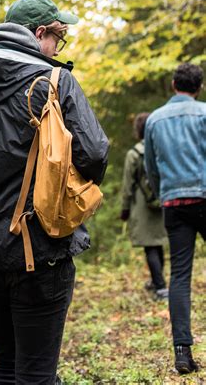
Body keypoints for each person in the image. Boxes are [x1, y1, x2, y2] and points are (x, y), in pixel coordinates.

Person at [0, 0, 109, 385]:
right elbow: (96, 153)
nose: (58, 49)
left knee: (1, 363)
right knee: (35, 373)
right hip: (39, 248)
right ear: (39, 35)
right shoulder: (54, 82)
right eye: (58, 39)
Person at [144, 63, 206, 375]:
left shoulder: (154, 120)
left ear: (173, 84)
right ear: (200, 87)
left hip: (174, 201)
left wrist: (163, 193)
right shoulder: (205, 113)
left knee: (180, 276)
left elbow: (151, 168)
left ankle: (182, 352)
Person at [120, 112, 168, 299]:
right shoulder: (160, 150)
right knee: (158, 243)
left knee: (150, 247)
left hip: (142, 205)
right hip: (162, 200)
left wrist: (124, 209)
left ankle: (160, 286)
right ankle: (157, 282)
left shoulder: (134, 154)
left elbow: (127, 186)